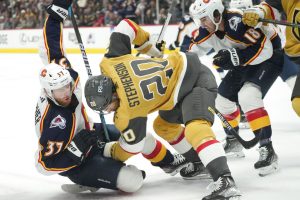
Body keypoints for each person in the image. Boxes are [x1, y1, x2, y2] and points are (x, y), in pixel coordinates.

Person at [35, 0, 188, 194]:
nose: (67, 91)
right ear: (48, 92)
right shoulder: (54, 123)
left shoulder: (65, 77)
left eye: (67, 86)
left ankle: (170, 162)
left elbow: (50, 45)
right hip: (78, 163)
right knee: (133, 180)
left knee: (142, 138)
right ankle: (90, 178)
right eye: (59, 90)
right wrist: (74, 152)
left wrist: (57, 13)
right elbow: (43, 165)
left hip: (91, 133)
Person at [84, 18, 241, 199]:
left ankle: (225, 180)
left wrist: (111, 151)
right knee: (163, 126)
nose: (109, 111)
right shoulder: (109, 62)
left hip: (197, 81)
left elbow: (133, 146)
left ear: (112, 95)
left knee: (196, 127)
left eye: (107, 106)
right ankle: (200, 162)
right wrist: (149, 48)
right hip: (179, 76)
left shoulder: (127, 112)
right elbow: (126, 25)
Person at [189, 0, 282, 176]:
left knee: (248, 96)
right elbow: (192, 52)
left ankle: (267, 148)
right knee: (222, 101)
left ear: (216, 14)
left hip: (270, 59)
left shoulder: (237, 22)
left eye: (204, 19)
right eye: (199, 20)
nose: (202, 24)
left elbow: (265, 49)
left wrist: (233, 57)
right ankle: (233, 140)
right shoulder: (208, 29)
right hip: (246, 61)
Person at [242, 0, 300, 118]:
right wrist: (259, 12)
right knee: (298, 103)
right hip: (289, 55)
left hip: (282, 56)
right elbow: (272, 7)